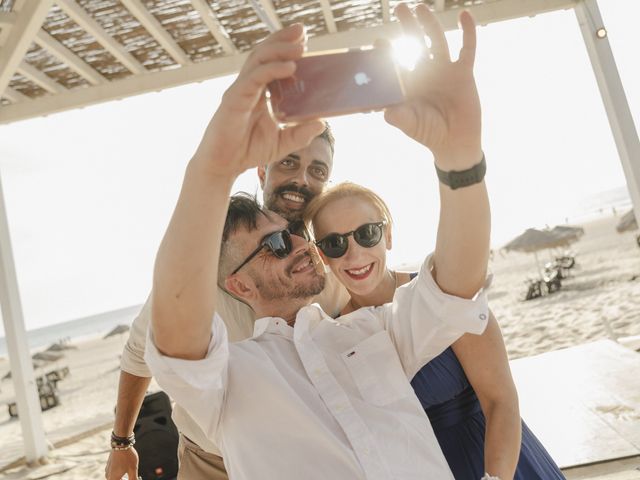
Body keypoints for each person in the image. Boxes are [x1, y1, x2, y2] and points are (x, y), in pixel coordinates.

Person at [145, 3, 494, 479]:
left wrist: (460, 159)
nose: (300, 246)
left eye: (292, 237)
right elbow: (175, 324)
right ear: (239, 285)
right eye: (273, 246)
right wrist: (211, 169)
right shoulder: (226, 377)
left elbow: (455, 285)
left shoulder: (373, 330)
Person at [105, 124, 351, 480]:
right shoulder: (202, 261)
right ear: (262, 169)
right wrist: (122, 443)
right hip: (211, 461)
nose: (301, 179)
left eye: (317, 170)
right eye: (288, 162)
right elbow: (138, 354)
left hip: (306, 456)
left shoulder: (333, 256)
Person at [304, 182, 566, 479]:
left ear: (387, 236)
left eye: (367, 234)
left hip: (499, 461)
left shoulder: (442, 294)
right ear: (322, 256)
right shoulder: (335, 336)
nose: (354, 255)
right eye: (335, 244)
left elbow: (500, 400)